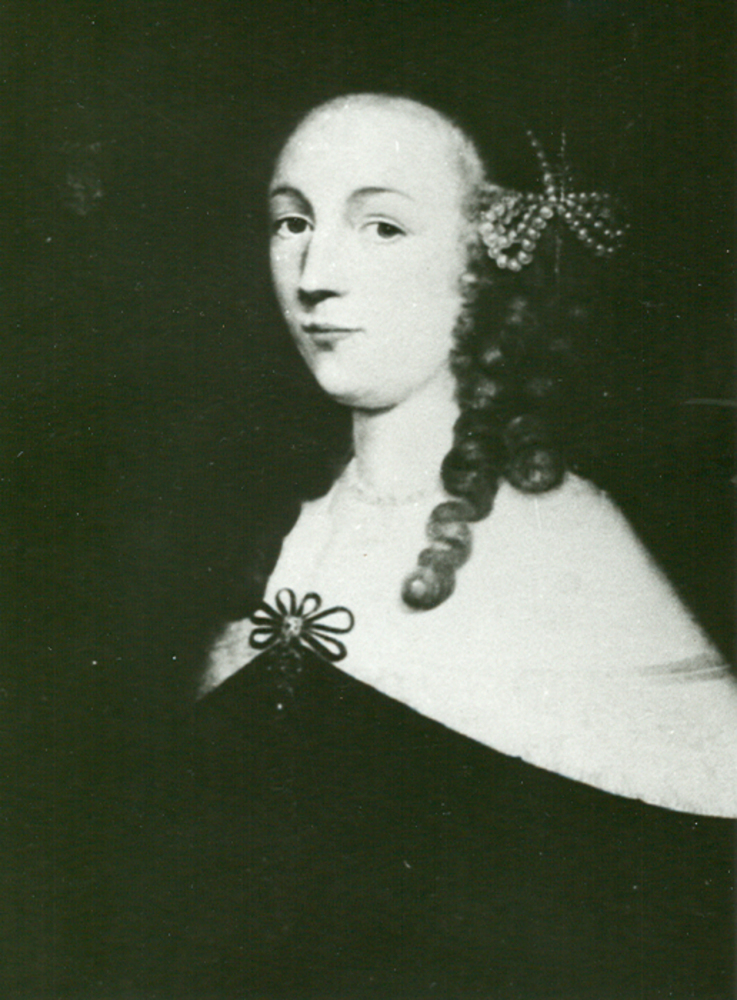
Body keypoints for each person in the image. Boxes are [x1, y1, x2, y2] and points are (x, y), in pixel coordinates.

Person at [117, 94, 737, 999]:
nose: (314, 274)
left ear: (487, 257)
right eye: (292, 222)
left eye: (382, 227)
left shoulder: (566, 552)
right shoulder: (278, 521)